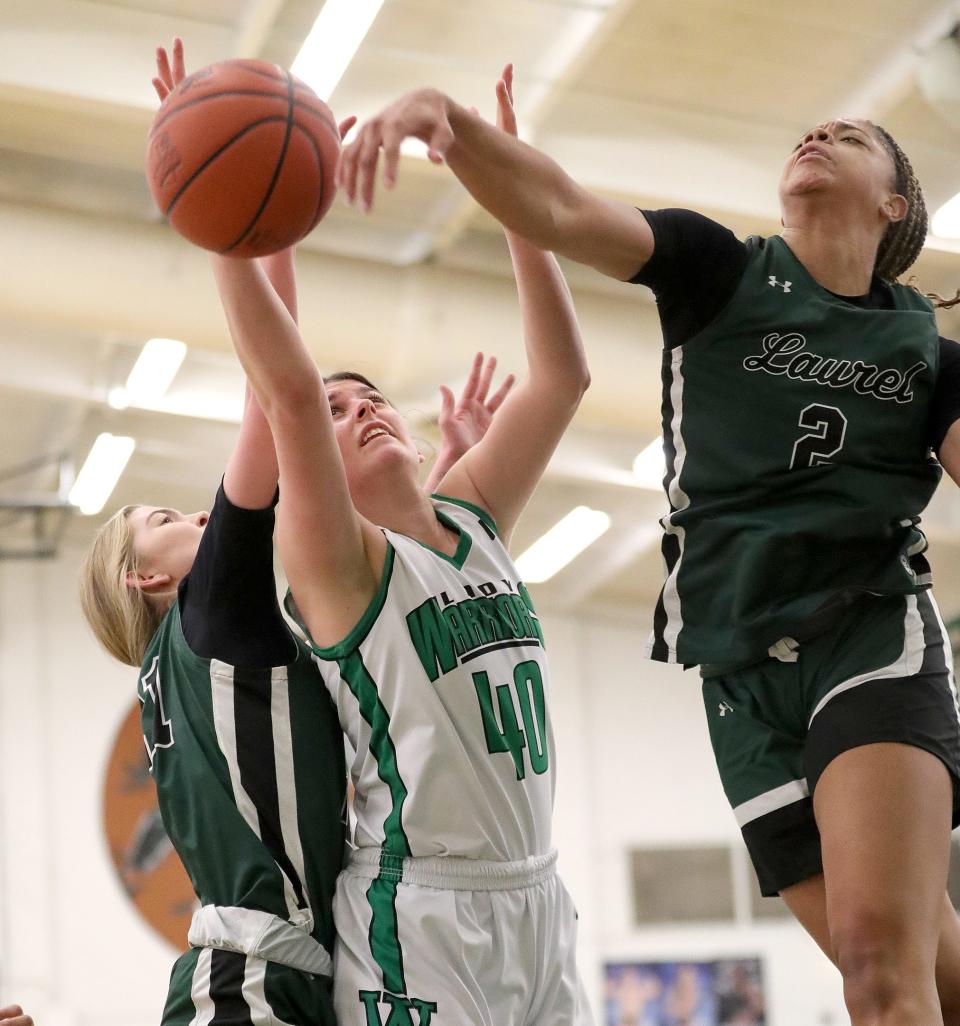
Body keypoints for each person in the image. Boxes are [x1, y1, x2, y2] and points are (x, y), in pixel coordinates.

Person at [337, 75, 960, 1025]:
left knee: (879, 971)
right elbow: (558, 206)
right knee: (921, 970)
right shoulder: (720, 270)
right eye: (814, 121)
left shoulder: (930, 356)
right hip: (736, 673)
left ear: (895, 204)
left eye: (854, 135)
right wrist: (443, 119)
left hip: (866, 636)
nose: (820, 129)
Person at [79, 40, 512, 1026]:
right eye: (165, 523)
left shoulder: (197, 666)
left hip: (266, 973)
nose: (197, 515)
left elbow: (392, 592)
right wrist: (237, 215)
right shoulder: (213, 606)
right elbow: (272, 398)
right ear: (150, 584)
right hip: (257, 987)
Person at [208, 65, 593, 1026]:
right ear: (315, 468)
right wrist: (223, 233)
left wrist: (514, 194)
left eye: (372, 395)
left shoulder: (469, 519)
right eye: (336, 411)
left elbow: (563, 376)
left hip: (539, 894)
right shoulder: (342, 565)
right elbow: (284, 391)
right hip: (421, 913)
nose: (361, 407)